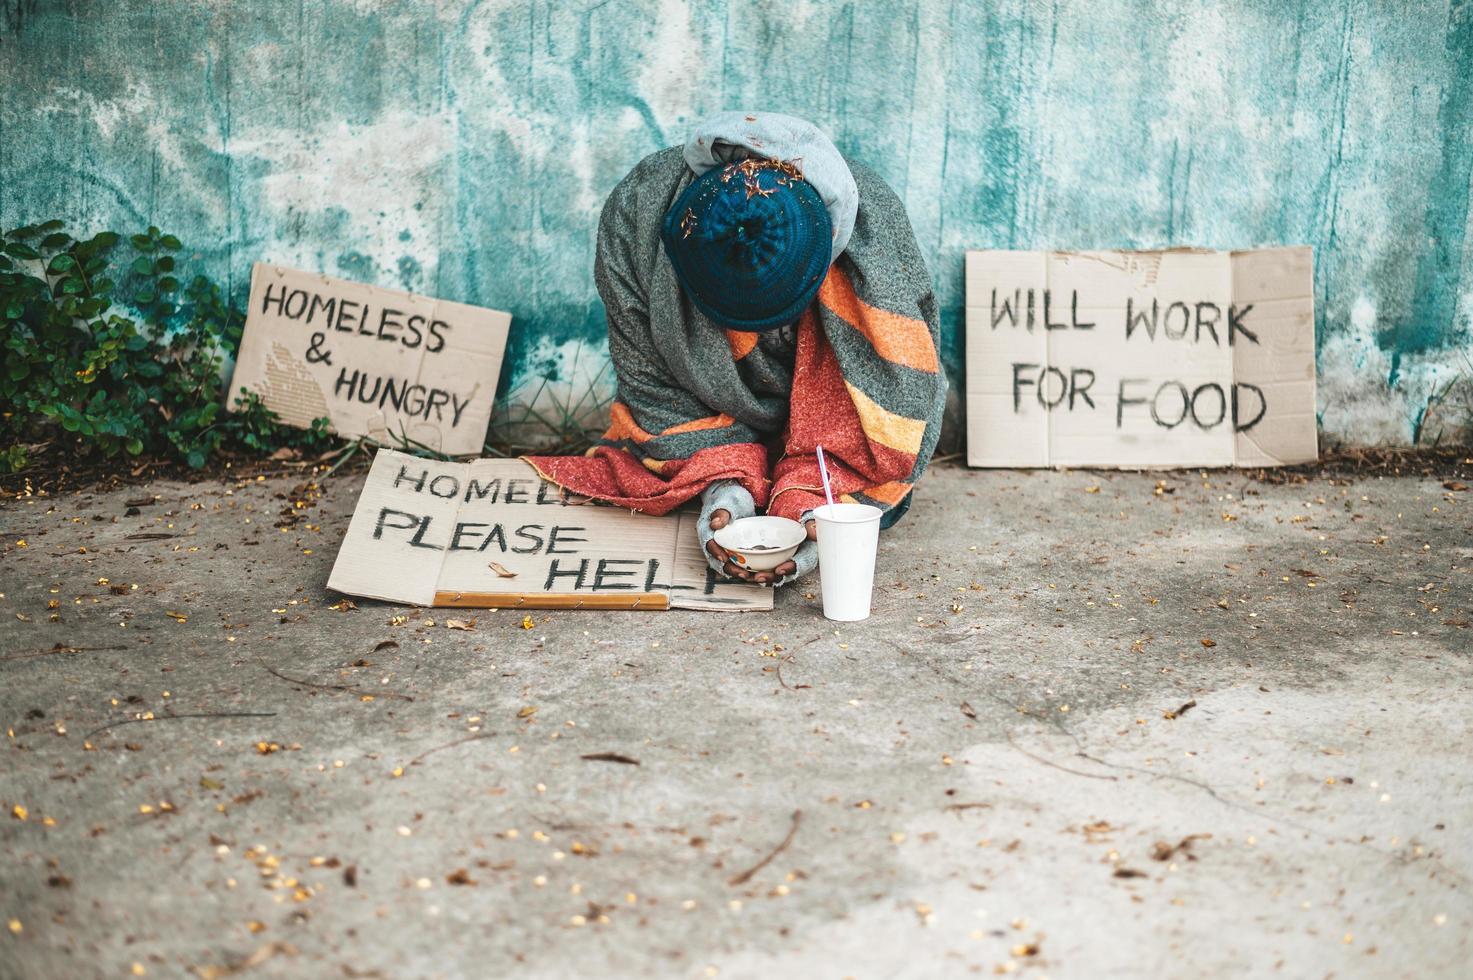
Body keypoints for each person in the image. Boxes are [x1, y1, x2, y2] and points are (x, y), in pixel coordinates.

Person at [527, 111, 946, 586]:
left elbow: (902, 396)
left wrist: (815, 510)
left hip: (822, 422)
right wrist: (724, 490)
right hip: (705, 409)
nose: (760, 340)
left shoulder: (876, 235)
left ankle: (796, 476)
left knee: (873, 463)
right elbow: (651, 382)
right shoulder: (637, 215)